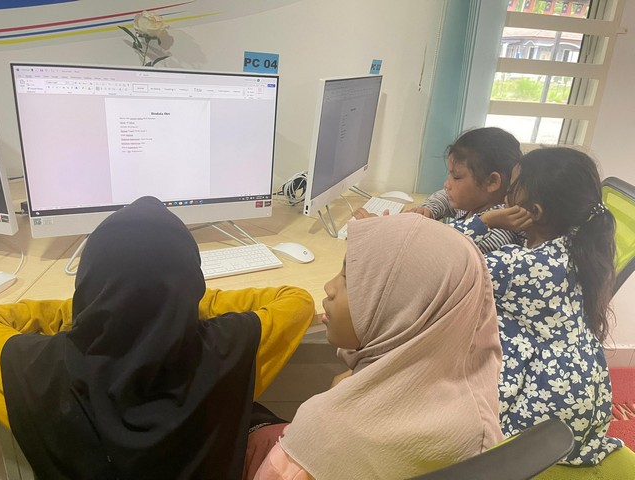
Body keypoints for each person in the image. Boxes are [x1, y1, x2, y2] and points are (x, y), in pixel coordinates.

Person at [0, 196, 314, 479]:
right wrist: (182, 303)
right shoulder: (229, 347)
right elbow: (295, 301)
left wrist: (101, 306)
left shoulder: (30, 370)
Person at [254, 214, 504, 479]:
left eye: (348, 279)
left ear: (404, 309)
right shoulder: (477, 420)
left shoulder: (321, 434)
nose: (329, 287)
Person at [451, 147, 622, 465]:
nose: (505, 196)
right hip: (581, 404)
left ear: (535, 212)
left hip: (538, 420)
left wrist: (484, 221)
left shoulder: (520, 265)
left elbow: (438, 254)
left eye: (512, 189)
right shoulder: (579, 247)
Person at [355, 127, 524, 253]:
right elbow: (444, 197)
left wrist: (382, 234)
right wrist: (429, 210)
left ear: (491, 182)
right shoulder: (476, 203)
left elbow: (440, 251)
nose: (447, 184)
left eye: (456, 177)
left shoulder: (499, 231)